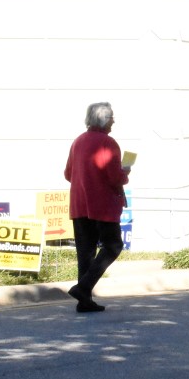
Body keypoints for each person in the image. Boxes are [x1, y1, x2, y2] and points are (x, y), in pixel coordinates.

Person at [63, 102, 130, 313]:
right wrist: (125, 171)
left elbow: (67, 174)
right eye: (111, 117)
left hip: (80, 204)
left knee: (85, 252)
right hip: (103, 205)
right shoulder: (108, 143)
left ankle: (84, 300)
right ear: (103, 120)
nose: (113, 121)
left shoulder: (78, 142)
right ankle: (83, 288)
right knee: (113, 246)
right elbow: (114, 176)